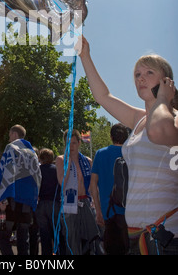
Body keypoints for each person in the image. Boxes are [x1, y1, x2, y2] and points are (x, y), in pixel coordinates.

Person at [77, 35, 178, 255]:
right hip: (135, 235)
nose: (141, 78)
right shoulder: (139, 119)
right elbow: (103, 96)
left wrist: (163, 99)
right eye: (137, 74)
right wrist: (85, 55)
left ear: (166, 81)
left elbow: (158, 130)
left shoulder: (174, 118)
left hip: (166, 238)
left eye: (149, 72)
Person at [0, 124, 42, 255]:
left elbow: (5, 172)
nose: (9, 138)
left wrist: (1, 196)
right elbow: (38, 176)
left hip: (11, 199)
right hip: (27, 202)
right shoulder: (32, 153)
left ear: (15, 135)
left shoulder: (11, 148)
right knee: (23, 239)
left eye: (10, 135)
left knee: (3, 236)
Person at [56, 129, 99, 255]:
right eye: (68, 143)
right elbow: (62, 183)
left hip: (85, 201)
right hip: (69, 203)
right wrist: (68, 164)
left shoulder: (87, 161)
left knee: (91, 237)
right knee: (72, 239)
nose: (71, 146)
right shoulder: (61, 159)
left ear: (79, 143)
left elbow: (92, 186)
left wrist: (97, 206)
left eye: (74, 143)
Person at [90, 123, 130, 254]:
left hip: (107, 210)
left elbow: (93, 185)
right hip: (129, 211)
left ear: (111, 137)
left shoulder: (100, 154)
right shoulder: (131, 153)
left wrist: (98, 210)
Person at [35, 148, 61, 255]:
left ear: (40, 158)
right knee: (57, 233)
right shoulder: (56, 170)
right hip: (54, 203)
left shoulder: (38, 171)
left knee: (44, 235)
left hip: (41, 204)